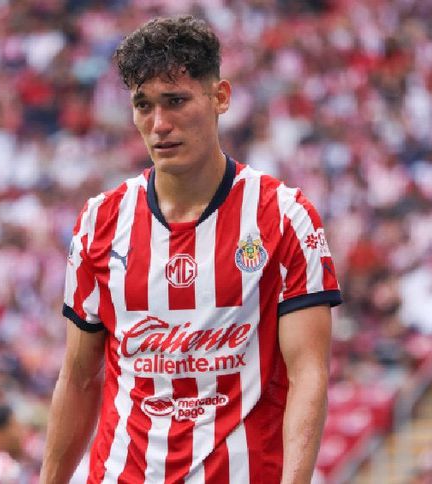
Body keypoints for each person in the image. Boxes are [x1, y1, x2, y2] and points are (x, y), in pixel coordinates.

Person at [41, 15, 341, 484]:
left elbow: (309, 374)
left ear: (220, 97)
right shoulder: (100, 223)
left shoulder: (283, 217)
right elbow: (79, 377)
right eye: (143, 105)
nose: (159, 124)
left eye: (175, 101)